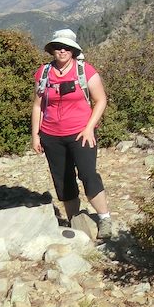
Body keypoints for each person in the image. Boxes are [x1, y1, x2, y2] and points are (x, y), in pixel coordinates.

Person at [31, 29, 113, 239]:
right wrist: (36, 135)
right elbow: (38, 105)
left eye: (67, 47)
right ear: (52, 49)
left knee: (88, 175)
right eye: (58, 46)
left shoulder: (85, 71)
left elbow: (101, 100)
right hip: (51, 135)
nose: (62, 50)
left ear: (74, 50)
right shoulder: (44, 73)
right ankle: (76, 222)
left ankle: (104, 219)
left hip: (81, 133)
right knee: (63, 180)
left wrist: (89, 128)